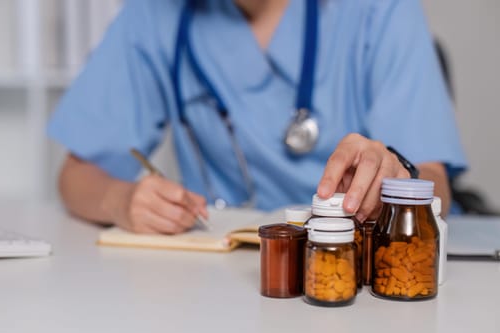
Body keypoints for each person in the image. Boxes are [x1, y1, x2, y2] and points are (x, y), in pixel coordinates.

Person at [48, 0, 467, 234]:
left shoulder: (380, 9)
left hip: (360, 274)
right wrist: (121, 201)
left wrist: (398, 187)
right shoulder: (154, 15)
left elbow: (436, 185)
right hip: (216, 281)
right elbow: (77, 175)